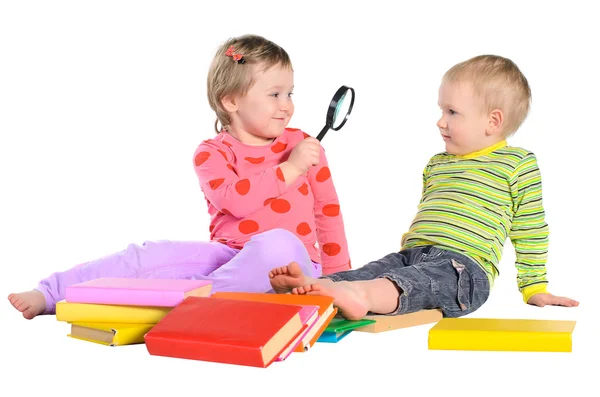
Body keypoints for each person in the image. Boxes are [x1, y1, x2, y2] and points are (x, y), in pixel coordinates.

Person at [9, 34, 351, 319]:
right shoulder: (212, 153)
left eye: (290, 93)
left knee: (277, 244)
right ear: (230, 101)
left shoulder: (304, 146)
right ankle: (52, 292)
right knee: (150, 254)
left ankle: (191, 300)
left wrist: (341, 280)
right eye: (274, 94)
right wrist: (288, 169)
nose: (286, 105)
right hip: (229, 257)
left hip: (294, 268)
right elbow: (235, 200)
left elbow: (328, 213)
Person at [269, 54, 579, 320]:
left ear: (492, 122)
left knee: (414, 281)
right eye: (442, 110)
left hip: (464, 269)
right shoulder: (437, 163)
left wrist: (534, 287)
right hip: (412, 254)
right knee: (377, 270)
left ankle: (359, 297)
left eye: (452, 112)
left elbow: (531, 228)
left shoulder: (517, 163)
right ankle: (317, 285)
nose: (440, 121)